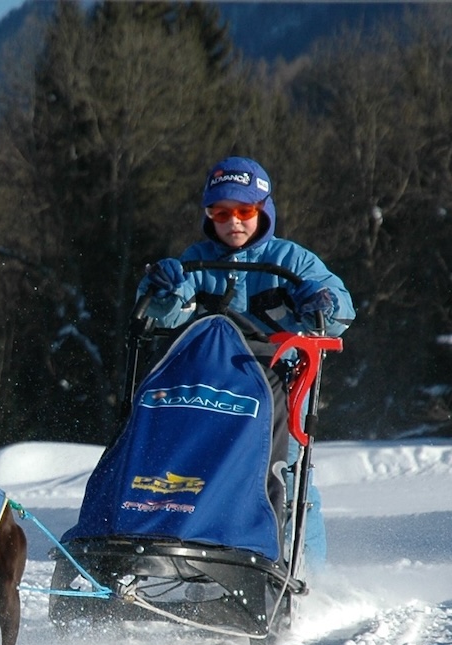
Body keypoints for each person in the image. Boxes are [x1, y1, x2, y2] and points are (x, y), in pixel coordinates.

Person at [136, 155, 355, 569]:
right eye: (221, 212)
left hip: (280, 385)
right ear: (208, 215)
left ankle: (302, 570)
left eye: (244, 211)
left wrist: (321, 302)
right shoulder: (197, 262)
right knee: (184, 467)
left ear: (263, 211)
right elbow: (163, 317)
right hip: (210, 387)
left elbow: (340, 309)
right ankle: (177, 557)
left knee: (285, 475)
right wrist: (164, 290)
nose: (233, 222)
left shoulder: (293, 261)